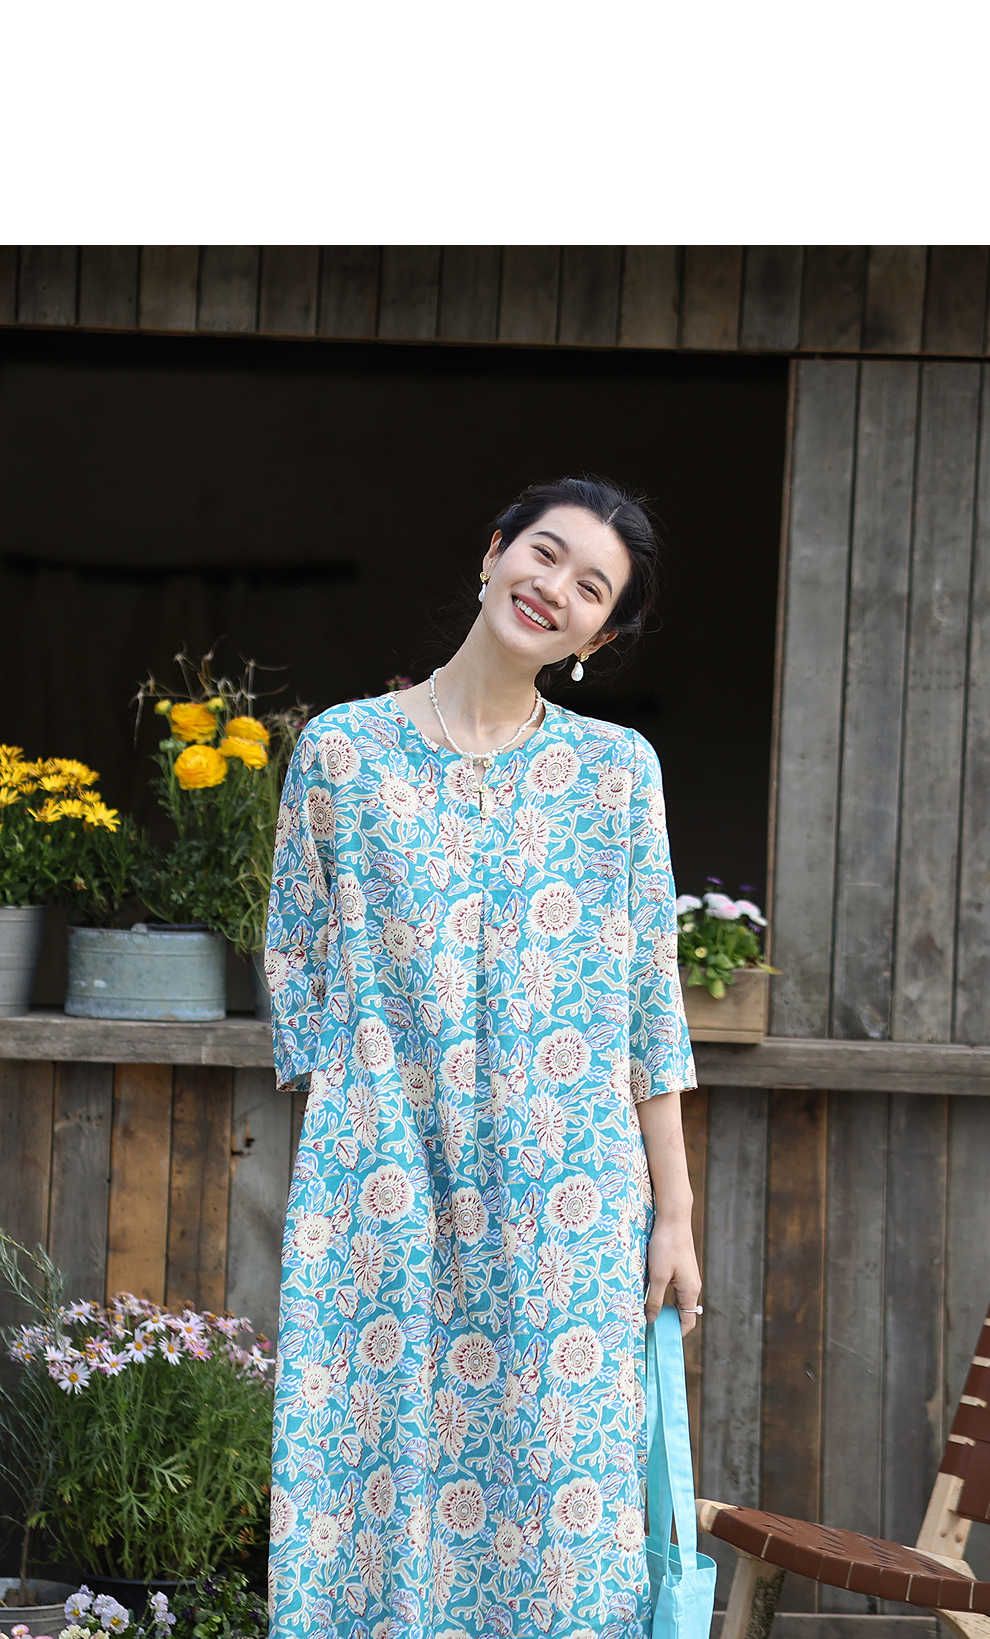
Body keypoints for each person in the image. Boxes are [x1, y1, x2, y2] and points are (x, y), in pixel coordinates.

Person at [264, 474, 702, 1637]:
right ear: (495, 550)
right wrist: (364, 1128)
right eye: (545, 553)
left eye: (592, 587)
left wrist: (672, 1211)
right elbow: (296, 960)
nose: (555, 587)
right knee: (369, 1486)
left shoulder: (619, 774)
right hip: (383, 1186)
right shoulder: (340, 752)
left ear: (599, 638)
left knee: (560, 1510)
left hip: (567, 1200)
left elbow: (649, 1003)